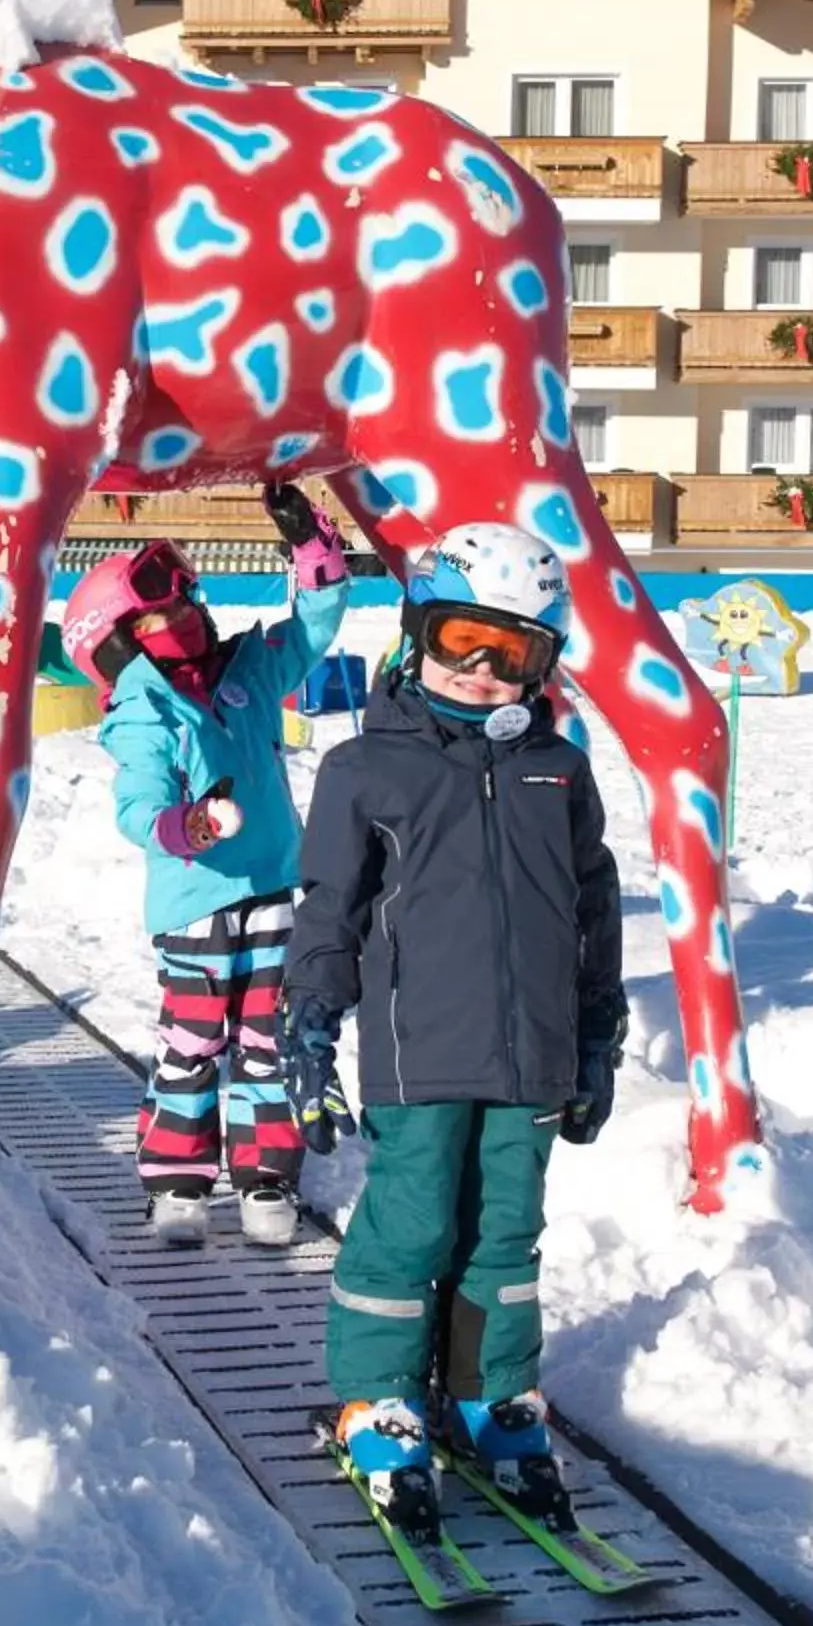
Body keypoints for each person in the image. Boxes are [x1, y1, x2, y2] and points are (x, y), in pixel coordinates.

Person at [279, 523, 626, 1545]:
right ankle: (379, 1395)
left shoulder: (557, 769)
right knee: (413, 1221)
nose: (481, 669)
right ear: (417, 631)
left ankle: (490, 1396)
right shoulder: (365, 767)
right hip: (419, 1048)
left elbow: (593, 916)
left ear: (542, 658)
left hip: (533, 1057)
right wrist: (308, 1026)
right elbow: (328, 911)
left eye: (510, 650)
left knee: (506, 1233)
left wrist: (597, 1041)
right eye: (463, 637)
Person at [67, 485, 352, 1250]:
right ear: (124, 640)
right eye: (160, 615)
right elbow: (138, 810)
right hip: (195, 904)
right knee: (192, 1044)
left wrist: (313, 549)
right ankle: (177, 1178)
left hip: (273, 891)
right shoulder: (143, 710)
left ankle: (266, 1176)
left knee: (267, 1041)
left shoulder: (247, 672)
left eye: (187, 600)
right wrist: (188, 825)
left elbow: (316, 625)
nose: (186, 617)